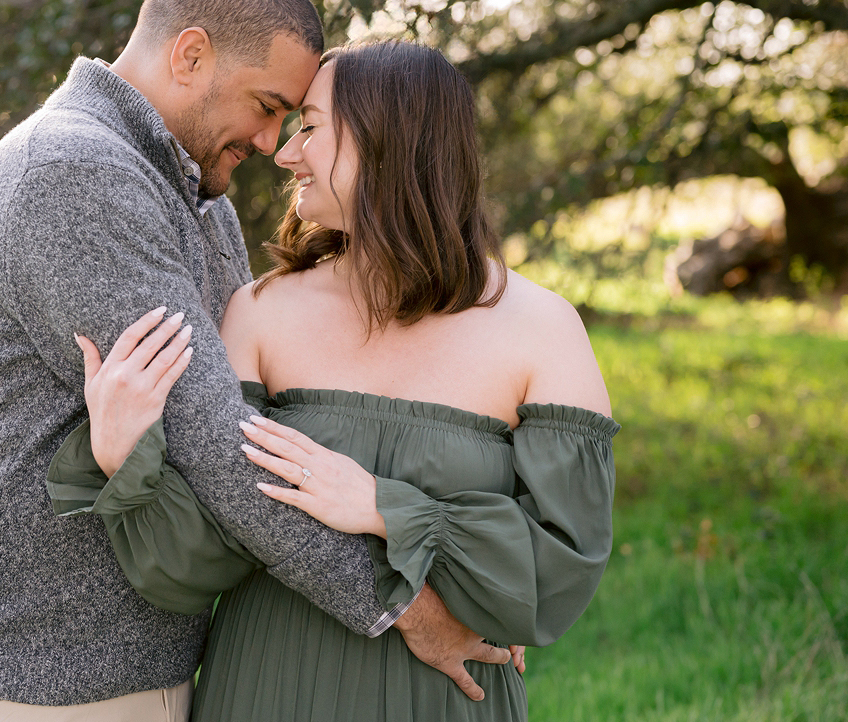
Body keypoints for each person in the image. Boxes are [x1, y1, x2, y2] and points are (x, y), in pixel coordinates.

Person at [0, 0, 508, 722]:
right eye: (266, 104)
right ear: (190, 55)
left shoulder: (192, 190)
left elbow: (259, 397)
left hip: (125, 650)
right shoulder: (72, 172)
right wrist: (409, 606)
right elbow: (220, 442)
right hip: (38, 660)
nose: (271, 142)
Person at [52, 40, 620, 721]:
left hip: (440, 700)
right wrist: (124, 459)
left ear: (392, 144)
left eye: (311, 127)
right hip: (265, 688)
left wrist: (385, 507)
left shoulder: (543, 328)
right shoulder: (262, 311)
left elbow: (556, 576)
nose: (285, 153)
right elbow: (200, 561)